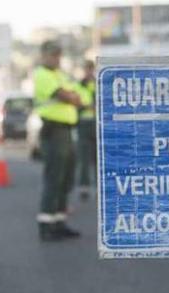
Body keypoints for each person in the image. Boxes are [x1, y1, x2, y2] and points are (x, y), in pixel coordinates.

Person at [32, 40, 83, 241]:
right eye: (52, 55)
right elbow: (66, 96)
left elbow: (80, 98)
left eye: (58, 55)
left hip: (67, 131)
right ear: (43, 55)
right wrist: (71, 96)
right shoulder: (42, 75)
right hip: (52, 132)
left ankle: (59, 222)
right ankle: (46, 225)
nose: (56, 58)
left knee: (66, 179)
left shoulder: (60, 75)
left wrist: (72, 96)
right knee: (54, 178)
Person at [74, 60, 96, 202]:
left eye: (90, 69)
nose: (88, 71)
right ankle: (84, 189)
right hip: (83, 124)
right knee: (84, 158)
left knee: (98, 158)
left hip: (96, 123)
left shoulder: (98, 82)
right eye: (86, 69)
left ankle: (101, 187)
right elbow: (76, 104)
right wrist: (87, 107)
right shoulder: (78, 86)